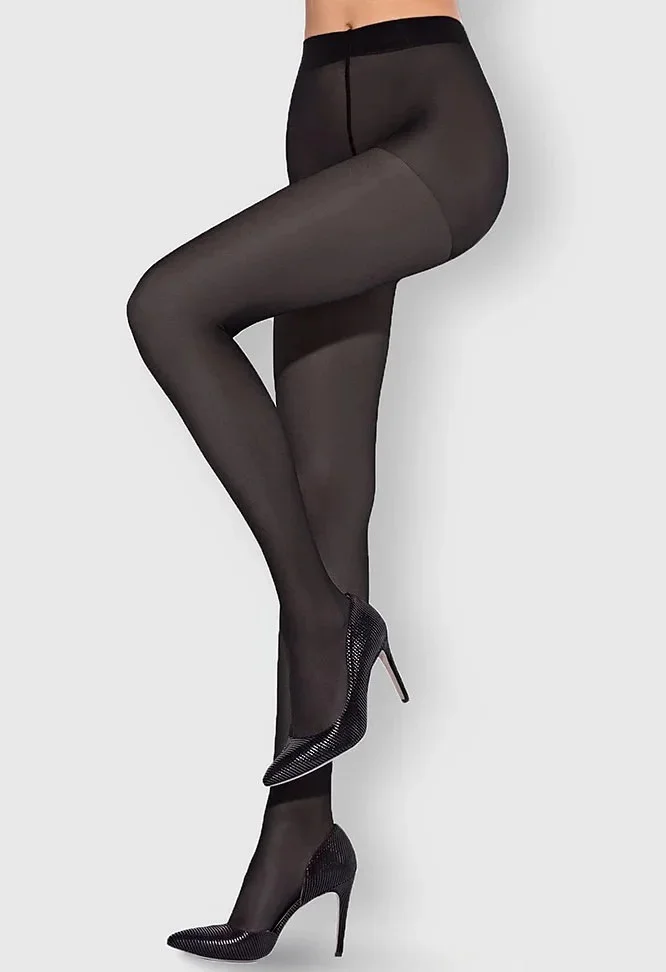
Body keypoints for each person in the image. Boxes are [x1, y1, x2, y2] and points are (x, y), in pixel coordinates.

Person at [126, 0, 508, 960]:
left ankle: (323, 617)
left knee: (170, 306)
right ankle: (297, 838)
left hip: (436, 120)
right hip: (318, 107)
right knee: (325, 483)